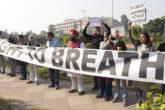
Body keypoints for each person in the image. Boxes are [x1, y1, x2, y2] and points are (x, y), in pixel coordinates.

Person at [128, 21, 155, 104]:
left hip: (146, 69)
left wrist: (149, 53)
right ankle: (139, 100)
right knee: (137, 85)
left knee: (145, 86)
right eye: (140, 37)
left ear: (146, 38)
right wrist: (129, 26)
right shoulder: (137, 44)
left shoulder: (151, 47)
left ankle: (144, 100)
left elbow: (154, 57)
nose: (141, 39)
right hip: (137, 69)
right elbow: (131, 37)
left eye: (143, 37)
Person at [83, 21, 111, 91]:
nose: (96, 31)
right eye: (95, 30)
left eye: (98, 30)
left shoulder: (102, 37)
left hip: (100, 57)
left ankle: (102, 86)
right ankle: (96, 85)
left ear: (100, 31)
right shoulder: (91, 37)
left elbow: (109, 31)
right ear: (93, 31)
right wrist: (86, 26)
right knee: (94, 73)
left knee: (101, 73)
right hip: (93, 57)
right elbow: (84, 34)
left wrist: (104, 24)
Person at [67, 29, 85, 95]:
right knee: (72, 76)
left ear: (75, 36)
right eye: (70, 34)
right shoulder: (68, 43)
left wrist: (76, 49)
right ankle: (74, 88)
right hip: (70, 62)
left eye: (72, 34)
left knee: (79, 76)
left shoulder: (81, 43)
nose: (70, 36)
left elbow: (84, 51)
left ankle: (81, 89)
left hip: (78, 62)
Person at [96, 33, 113, 101]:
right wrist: (108, 41)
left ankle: (108, 95)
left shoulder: (114, 43)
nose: (105, 38)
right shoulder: (101, 43)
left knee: (109, 80)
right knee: (101, 79)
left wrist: (110, 41)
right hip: (102, 63)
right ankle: (101, 93)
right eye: (104, 37)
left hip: (110, 63)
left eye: (106, 36)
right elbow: (103, 48)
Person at [112, 41, 128, 107]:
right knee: (117, 83)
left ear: (123, 46)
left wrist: (125, 54)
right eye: (118, 46)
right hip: (117, 70)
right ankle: (116, 96)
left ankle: (125, 98)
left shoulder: (126, 52)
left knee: (124, 84)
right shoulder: (114, 52)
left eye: (120, 46)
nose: (119, 47)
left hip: (124, 70)